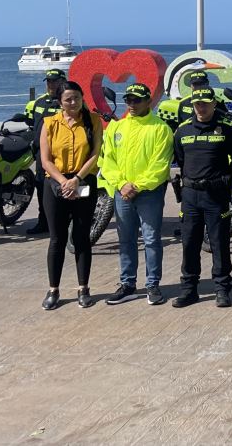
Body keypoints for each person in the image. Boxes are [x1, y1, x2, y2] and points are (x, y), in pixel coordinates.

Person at [101, 83, 174, 306]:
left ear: (148, 101)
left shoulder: (160, 128)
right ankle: (128, 285)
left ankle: (153, 284)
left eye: (137, 100)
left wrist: (137, 186)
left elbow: (160, 165)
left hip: (149, 193)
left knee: (151, 239)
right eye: (128, 100)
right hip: (121, 192)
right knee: (126, 239)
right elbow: (107, 159)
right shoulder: (116, 127)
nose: (132, 104)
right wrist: (122, 184)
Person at [172, 88, 232, 308]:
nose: (201, 107)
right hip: (191, 195)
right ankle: (189, 290)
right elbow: (181, 160)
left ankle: (222, 290)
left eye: (205, 103)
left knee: (219, 244)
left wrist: (228, 180)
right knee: (189, 243)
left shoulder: (227, 129)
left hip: (216, 195)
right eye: (197, 104)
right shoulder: (182, 131)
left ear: (214, 104)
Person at [38, 80, 103, 310]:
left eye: (77, 97)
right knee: (57, 238)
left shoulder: (93, 120)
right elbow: (45, 160)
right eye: (68, 99)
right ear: (60, 102)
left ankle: (83, 288)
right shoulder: (50, 123)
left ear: (82, 97)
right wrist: (64, 181)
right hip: (55, 184)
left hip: (83, 180)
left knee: (82, 236)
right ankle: (53, 289)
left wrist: (76, 180)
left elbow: (95, 153)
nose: (73, 102)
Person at [24, 69, 67, 236]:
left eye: (55, 81)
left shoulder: (69, 101)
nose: (51, 84)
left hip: (62, 155)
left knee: (64, 188)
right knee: (42, 188)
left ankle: (65, 222)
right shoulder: (39, 102)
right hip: (42, 155)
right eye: (48, 81)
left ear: (62, 81)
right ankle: (44, 222)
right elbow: (31, 123)